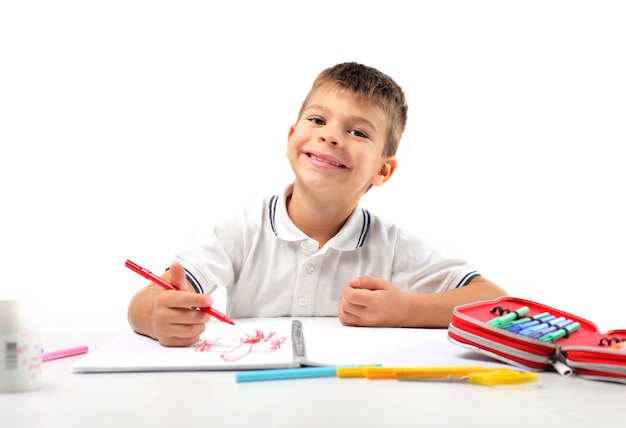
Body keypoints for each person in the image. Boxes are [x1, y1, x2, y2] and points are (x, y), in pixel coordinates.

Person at [128, 62, 508, 347]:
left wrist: (404, 310)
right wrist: (156, 317)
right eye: (317, 120)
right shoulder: (242, 229)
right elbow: (145, 302)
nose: (330, 136)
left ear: (383, 170)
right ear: (292, 136)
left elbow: (494, 301)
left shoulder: (391, 245)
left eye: (357, 131)